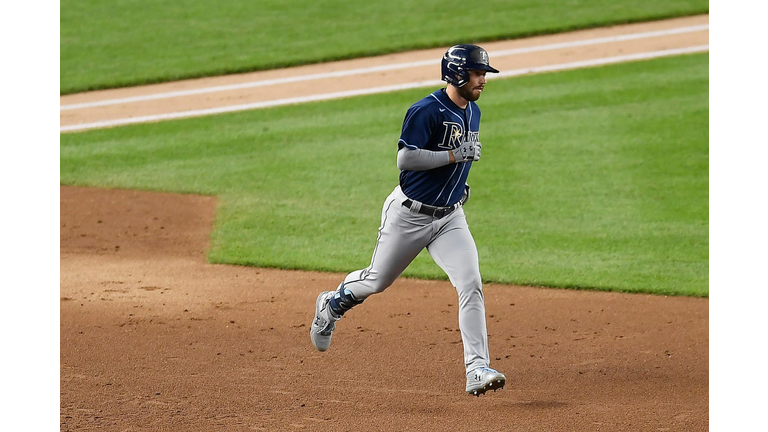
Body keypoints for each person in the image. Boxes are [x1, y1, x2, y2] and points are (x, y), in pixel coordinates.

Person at [310, 44, 505, 396]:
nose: (482, 81)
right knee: (376, 282)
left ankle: (477, 368)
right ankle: (332, 303)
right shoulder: (425, 111)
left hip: (449, 218)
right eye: (477, 74)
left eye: (484, 74)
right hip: (409, 216)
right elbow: (406, 159)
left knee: (470, 283)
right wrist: (451, 156)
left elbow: (456, 164)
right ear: (457, 74)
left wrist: (458, 188)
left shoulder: (473, 111)